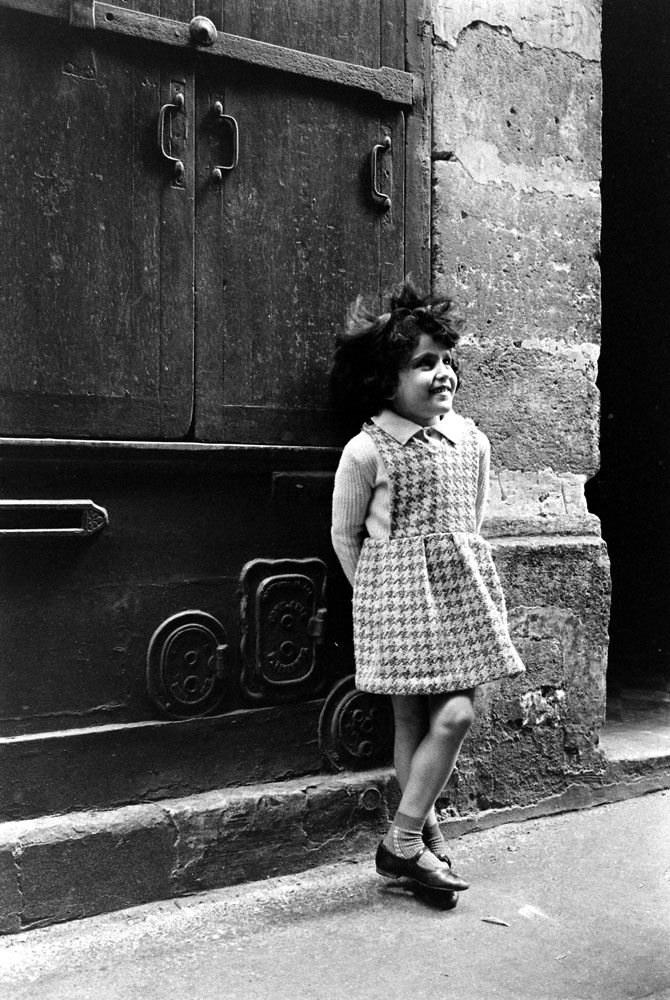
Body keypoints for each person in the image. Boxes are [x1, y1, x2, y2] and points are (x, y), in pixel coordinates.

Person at [330, 279, 525, 895]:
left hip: (456, 596)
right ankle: (426, 844)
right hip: (397, 601)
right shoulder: (367, 450)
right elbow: (344, 536)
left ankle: (402, 841)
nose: (442, 374)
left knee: (457, 713)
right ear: (385, 380)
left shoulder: (473, 442)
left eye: (447, 361)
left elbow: (469, 524)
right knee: (410, 725)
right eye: (424, 364)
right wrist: (379, 599)